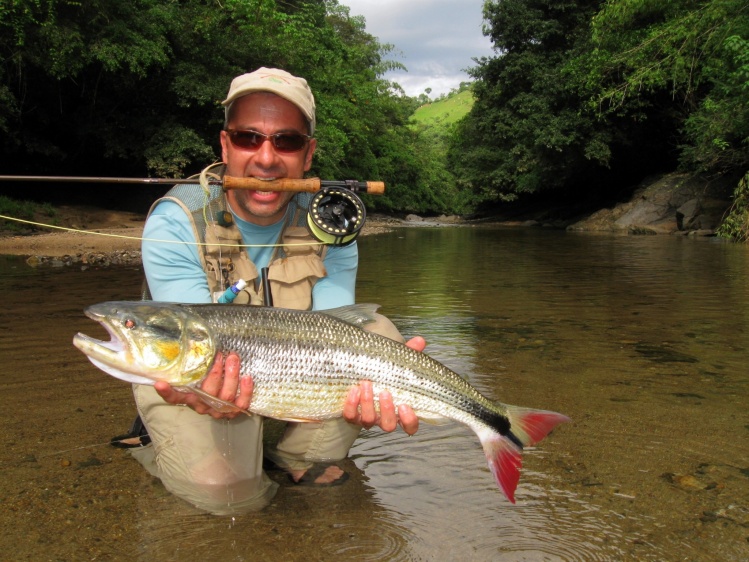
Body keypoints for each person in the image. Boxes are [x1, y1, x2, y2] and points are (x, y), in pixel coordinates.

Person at [123, 67, 424, 515]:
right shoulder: (175, 221)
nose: (266, 158)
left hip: (288, 374)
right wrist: (199, 392)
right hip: (199, 380)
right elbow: (192, 349)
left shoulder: (332, 224)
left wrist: (388, 374)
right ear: (225, 145)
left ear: (308, 154)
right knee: (229, 499)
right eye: (248, 138)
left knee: (377, 334)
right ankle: (158, 442)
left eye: (286, 141)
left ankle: (295, 457)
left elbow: (337, 333)